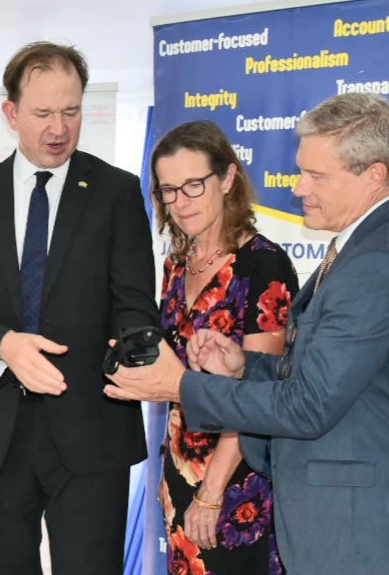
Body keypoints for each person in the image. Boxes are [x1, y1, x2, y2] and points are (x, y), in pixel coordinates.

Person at [105, 92, 389, 575]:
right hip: (339, 518)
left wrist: (180, 385)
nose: (298, 187)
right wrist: (245, 364)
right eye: (300, 170)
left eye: (316, 175)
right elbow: (317, 373)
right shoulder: (367, 248)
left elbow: (308, 405)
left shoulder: (383, 264)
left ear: (373, 175)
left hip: (359, 525)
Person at [0, 41, 158, 575]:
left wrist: (135, 351)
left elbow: (133, 301)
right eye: (43, 113)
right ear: (11, 113)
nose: (59, 128)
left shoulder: (117, 192)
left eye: (71, 112)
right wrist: (3, 344)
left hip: (91, 427)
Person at [150, 120, 297, 575]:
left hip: (237, 481)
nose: (180, 202)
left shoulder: (263, 264)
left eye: (193, 185)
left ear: (228, 178)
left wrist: (212, 493)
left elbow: (258, 392)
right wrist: (170, 474)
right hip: (181, 473)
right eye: (168, 190)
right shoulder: (177, 264)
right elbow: (176, 383)